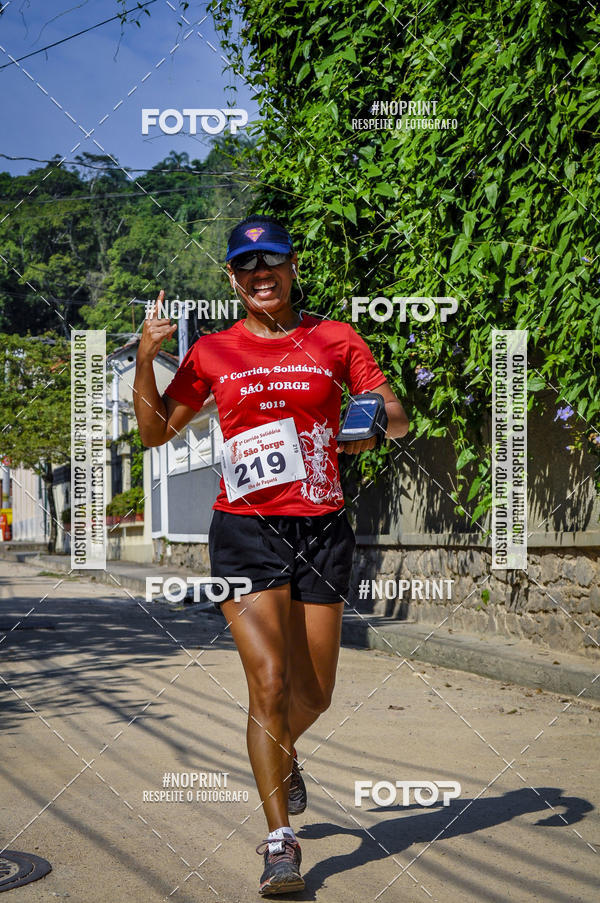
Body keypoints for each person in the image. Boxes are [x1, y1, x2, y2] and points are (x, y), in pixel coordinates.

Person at [133, 214, 409, 895]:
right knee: (270, 683)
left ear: (292, 268)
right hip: (244, 531)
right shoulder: (213, 352)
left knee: (314, 693)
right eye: (247, 266)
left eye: (273, 261)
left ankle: (284, 753)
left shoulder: (336, 339)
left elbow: (398, 416)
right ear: (233, 278)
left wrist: (369, 425)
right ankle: (280, 841)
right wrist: (145, 357)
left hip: (321, 529)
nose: (261, 274)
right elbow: (154, 433)